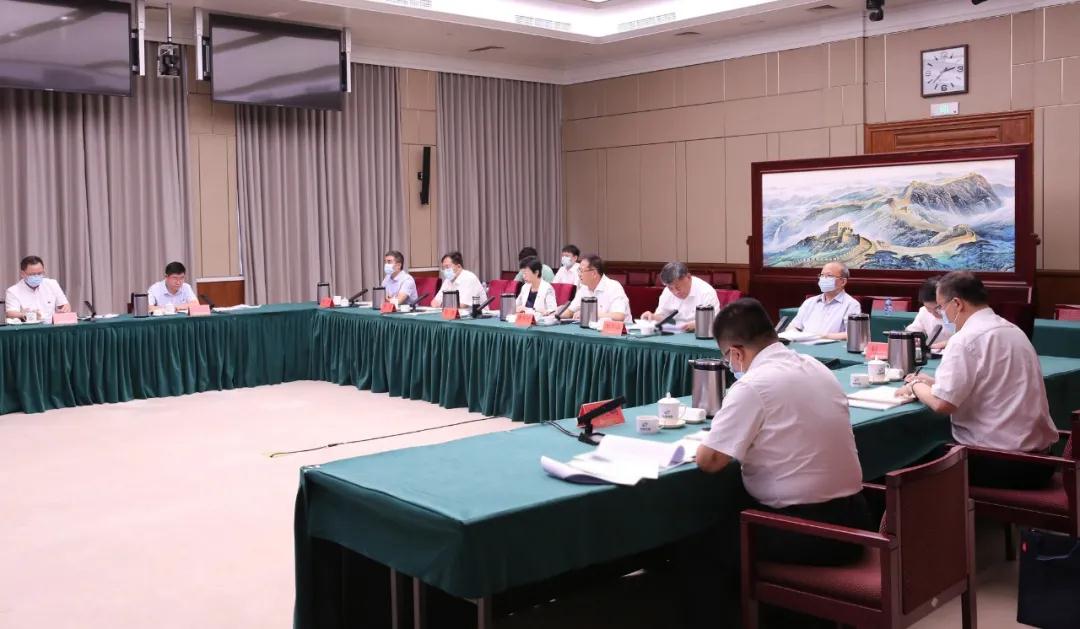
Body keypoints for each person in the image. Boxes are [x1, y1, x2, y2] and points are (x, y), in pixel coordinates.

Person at [686, 298, 869, 626]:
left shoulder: (753, 384)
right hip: (856, 518)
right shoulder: (816, 366)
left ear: (736, 353)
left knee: (698, 544)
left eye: (727, 357)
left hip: (806, 532)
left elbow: (709, 461)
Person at [897, 272, 1058, 489]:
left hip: (1002, 462)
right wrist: (934, 383)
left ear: (957, 304)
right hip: (1042, 461)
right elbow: (988, 384)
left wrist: (915, 385)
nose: (941, 314)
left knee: (905, 459)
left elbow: (943, 404)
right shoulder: (1012, 329)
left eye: (941, 308)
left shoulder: (964, 339)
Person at [639, 261, 719, 332]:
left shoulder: (706, 292)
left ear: (688, 277)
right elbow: (663, 316)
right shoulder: (667, 291)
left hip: (699, 334)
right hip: (674, 333)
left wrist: (695, 325)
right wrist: (653, 317)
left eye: (678, 287)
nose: (675, 292)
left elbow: (714, 321)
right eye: (671, 288)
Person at [789, 262, 861, 339]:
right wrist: (792, 333)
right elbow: (793, 326)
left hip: (832, 345)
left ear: (843, 282)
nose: (824, 279)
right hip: (803, 343)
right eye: (822, 275)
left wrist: (824, 336)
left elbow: (853, 334)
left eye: (829, 276)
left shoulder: (851, 304)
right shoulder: (809, 302)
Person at [561, 254, 631, 323]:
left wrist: (588, 314)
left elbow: (619, 316)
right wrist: (558, 315)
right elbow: (570, 311)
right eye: (578, 270)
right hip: (593, 328)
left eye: (581, 271)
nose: (579, 274)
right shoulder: (584, 287)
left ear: (594, 274)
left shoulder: (613, 286)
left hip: (620, 329)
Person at [5, 255, 70, 323]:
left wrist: (65, 308)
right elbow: (10, 313)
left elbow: (64, 305)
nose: (36, 277)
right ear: (22, 274)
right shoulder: (13, 291)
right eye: (32, 274)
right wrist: (27, 315)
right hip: (30, 327)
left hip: (51, 326)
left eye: (39, 273)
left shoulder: (52, 284)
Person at [905, 276, 953, 349]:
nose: (934, 313)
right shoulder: (924, 311)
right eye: (928, 308)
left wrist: (941, 345)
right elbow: (912, 332)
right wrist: (915, 341)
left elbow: (966, 338)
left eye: (938, 308)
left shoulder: (959, 313)